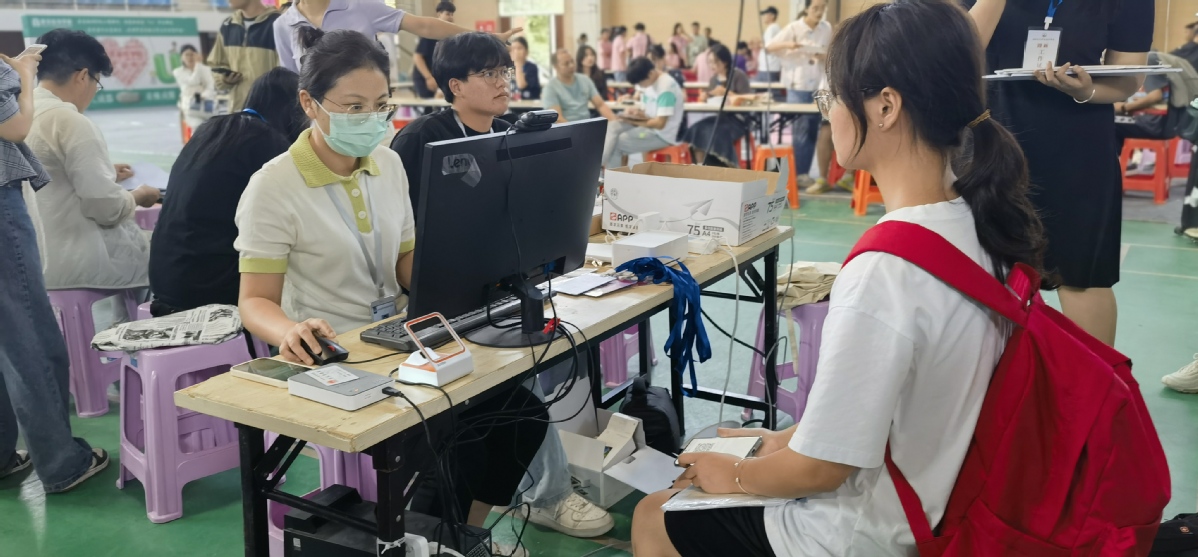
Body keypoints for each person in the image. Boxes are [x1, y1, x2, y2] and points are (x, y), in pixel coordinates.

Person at [632, 2, 1049, 555]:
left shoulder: (886, 269)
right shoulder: (981, 225)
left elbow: (821, 470)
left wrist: (732, 474)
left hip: (864, 531)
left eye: (829, 97)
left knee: (653, 513)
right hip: (947, 499)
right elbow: (888, 411)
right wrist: (780, 440)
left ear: (885, 107)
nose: (827, 114)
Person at [234, 31, 545, 555]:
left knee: (521, 416)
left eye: (381, 105)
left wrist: (469, 279)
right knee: (454, 437)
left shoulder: (388, 164)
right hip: (334, 351)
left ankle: (461, 537)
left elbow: (404, 262)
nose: (372, 119)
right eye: (354, 106)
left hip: (399, 336)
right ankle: (435, 541)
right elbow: (254, 301)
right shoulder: (273, 186)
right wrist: (290, 330)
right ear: (309, 103)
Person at [388, 32, 614, 542]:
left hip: (498, 286)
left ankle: (478, 531)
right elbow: (404, 236)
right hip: (438, 301)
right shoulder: (422, 139)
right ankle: (546, 497)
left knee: (535, 376)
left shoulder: (509, 133)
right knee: (516, 393)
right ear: (455, 85)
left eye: (504, 71)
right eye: (489, 73)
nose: (503, 82)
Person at [970, 0, 1152, 346]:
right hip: (991, 138)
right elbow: (956, 51)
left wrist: (1086, 90)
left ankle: (1095, 379)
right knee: (984, 269)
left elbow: (1127, 78)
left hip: (1080, 144)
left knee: (1083, 275)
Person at [0, 47, 109, 495]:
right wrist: (25, 74)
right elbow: (14, 127)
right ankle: (62, 461)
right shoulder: (65, 117)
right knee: (28, 335)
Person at [149, 68, 306, 316]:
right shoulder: (269, 145)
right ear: (294, 111)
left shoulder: (210, 129)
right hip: (207, 287)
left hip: (164, 278)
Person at [27, 29, 160, 292]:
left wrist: (105, 171)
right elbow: (106, 208)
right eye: (96, 83)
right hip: (80, 260)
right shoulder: (71, 121)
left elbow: (46, 173)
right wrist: (139, 194)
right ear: (82, 76)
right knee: (166, 249)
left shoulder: (18, 116)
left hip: (32, 260)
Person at [273, 0, 521, 74]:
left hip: (368, 115)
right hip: (317, 125)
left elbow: (424, 26)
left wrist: (488, 37)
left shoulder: (361, 6)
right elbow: (293, 81)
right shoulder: (283, 25)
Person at [767, 0, 832, 188]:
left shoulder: (826, 28)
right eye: (815, 8)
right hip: (798, 85)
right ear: (806, 8)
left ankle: (803, 174)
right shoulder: (794, 27)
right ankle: (797, 174)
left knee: (814, 130)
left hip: (820, 85)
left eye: (822, 8)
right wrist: (791, 44)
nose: (819, 12)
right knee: (801, 131)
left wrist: (824, 55)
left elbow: (832, 52)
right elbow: (770, 47)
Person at [602, 56, 685, 170]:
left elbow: (660, 124)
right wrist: (635, 114)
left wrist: (633, 121)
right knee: (612, 126)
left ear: (650, 73)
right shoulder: (650, 82)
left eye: (641, 83)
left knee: (616, 144)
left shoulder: (666, 88)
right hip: (648, 125)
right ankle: (598, 164)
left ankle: (603, 173)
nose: (640, 87)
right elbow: (648, 113)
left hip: (661, 135)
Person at [684, 43, 753, 166]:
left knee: (716, 131)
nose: (711, 66)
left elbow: (748, 101)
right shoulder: (713, 80)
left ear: (724, 62)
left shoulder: (738, 76)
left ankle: (724, 166)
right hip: (719, 118)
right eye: (709, 62)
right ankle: (700, 166)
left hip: (738, 120)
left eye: (714, 62)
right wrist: (705, 97)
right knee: (697, 128)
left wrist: (727, 93)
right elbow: (711, 100)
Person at [206, 0, 281, 112]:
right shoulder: (228, 26)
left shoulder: (277, 24)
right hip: (238, 109)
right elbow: (216, 64)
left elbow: (286, 73)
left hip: (270, 111)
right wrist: (225, 79)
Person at [1114, 51, 1198, 150]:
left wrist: (1124, 107)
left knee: (1110, 123)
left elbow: (1156, 96)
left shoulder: (1148, 60)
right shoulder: (1159, 58)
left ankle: (1114, 158)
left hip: (1157, 125)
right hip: (1179, 123)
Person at [543, 48, 620, 124]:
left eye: (572, 61)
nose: (571, 65)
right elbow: (558, 119)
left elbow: (600, 105)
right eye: (566, 64)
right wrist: (575, 130)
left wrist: (614, 121)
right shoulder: (550, 88)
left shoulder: (585, 80)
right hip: (565, 129)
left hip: (586, 126)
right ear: (556, 67)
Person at [411, 1, 455, 99]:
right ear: (439, 14)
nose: (450, 17)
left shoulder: (448, 36)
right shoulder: (431, 33)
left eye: (452, 14)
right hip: (424, 78)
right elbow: (418, 57)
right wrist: (428, 77)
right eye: (448, 14)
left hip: (438, 78)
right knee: (429, 106)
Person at [172, 44, 217, 132]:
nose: (190, 57)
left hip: (207, 102)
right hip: (190, 105)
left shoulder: (206, 69)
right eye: (186, 55)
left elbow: (210, 85)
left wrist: (203, 96)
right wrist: (198, 65)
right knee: (197, 128)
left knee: (212, 128)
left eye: (192, 54)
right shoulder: (178, 72)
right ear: (181, 57)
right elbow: (193, 81)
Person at [758, 6, 783, 92]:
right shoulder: (773, 28)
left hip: (769, 66)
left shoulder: (772, 28)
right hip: (768, 66)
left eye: (766, 14)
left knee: (770, 92)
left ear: (772, 16)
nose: (764, 17)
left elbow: (769, 47)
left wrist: (760, 45)